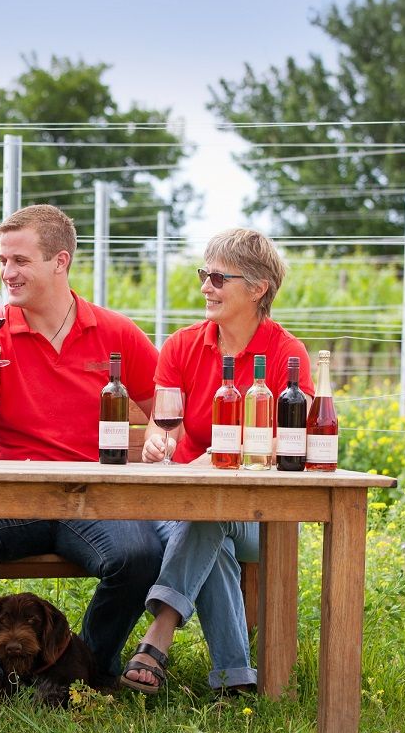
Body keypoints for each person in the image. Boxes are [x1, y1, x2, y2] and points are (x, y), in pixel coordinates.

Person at [0, 204, 164, 697]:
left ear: (60, 261)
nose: (7, 272)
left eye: (20, 260)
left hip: (91, 494)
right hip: (12, 494)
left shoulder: (117, 333)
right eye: (3, 260)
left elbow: (163, 414)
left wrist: (156, 436)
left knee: (141, 553)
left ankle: (82, 670)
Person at [123, 228, 313, 695]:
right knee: (210, 525)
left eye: (217, 278)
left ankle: (160, 630)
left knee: (215, 513)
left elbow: (293, 440)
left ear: (257, 288)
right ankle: (235, 680)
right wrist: (156, 444)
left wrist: (220, 460)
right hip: (185, 505)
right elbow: (163, 425)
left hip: (260, 515)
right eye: (203, 275)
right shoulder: (182, 345)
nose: (205, 286)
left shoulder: (287, 354)